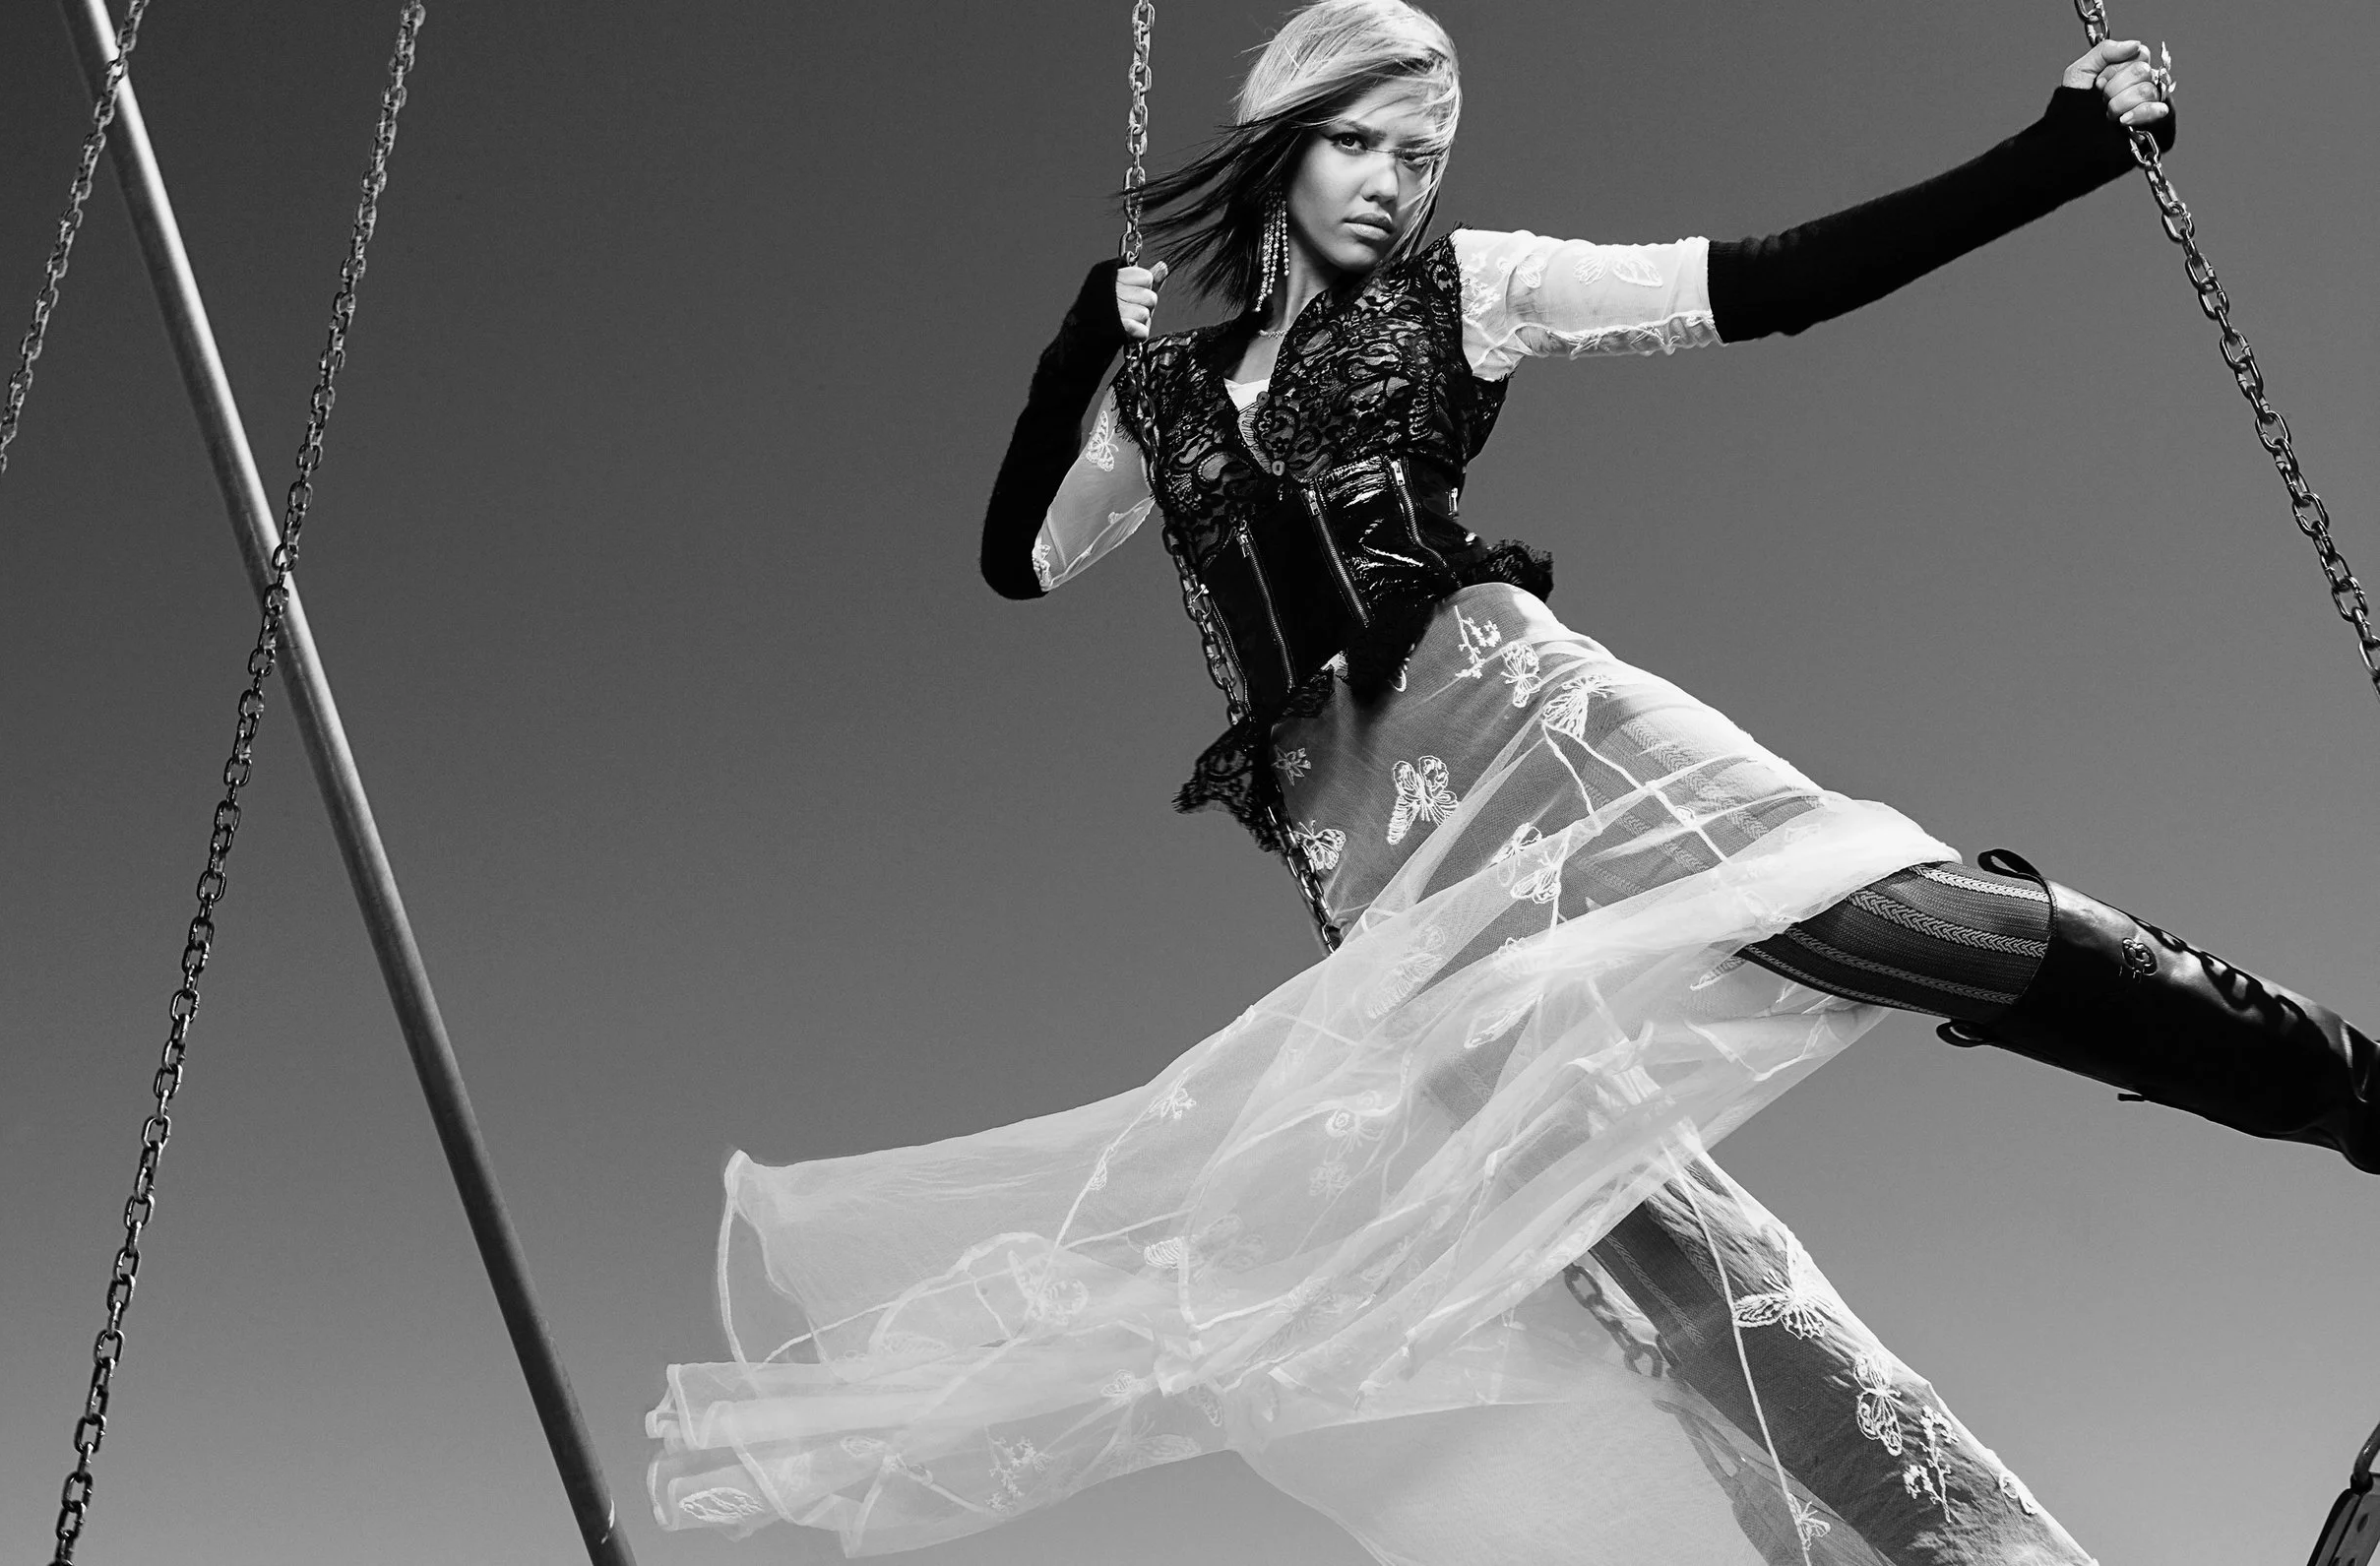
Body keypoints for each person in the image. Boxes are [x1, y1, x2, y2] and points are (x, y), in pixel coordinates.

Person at [650, 5, 2375, 1559]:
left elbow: (1767, 280)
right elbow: (1020, 560)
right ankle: (1973, 1552)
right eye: (1361, 142)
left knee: (1879, 917)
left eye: (1425, 151)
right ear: (1275, 145)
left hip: (1541, 727)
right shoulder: (1165, 401)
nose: (1398, 182)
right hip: (1378, 875)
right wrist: (1063, 367)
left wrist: (2060, 152)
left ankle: (2350, 1089)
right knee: (1648, 1268)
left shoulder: (1468, 289)